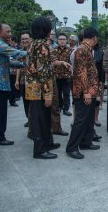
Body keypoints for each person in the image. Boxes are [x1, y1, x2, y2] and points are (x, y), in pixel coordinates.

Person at [0, 24, 27, 145]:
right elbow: (15, 53)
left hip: (0, 84)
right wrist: (33, 52)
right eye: (8, 31)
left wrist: (23, 65)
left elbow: (8, 61)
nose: (10, 34)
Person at [26, 17, 60, 159]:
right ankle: (39, 150)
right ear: (44, 29)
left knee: (43, 116)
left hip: (33, 85)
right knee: (40, 118)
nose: (51, 30)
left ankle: (47, 142)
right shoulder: (42, 45)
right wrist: (47, 92)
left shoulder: (34, 43)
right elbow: (42, 70)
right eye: (49, 27)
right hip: (40, 87)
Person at [66, 27, 100, 159]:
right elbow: (81, 72)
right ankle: (72, 147)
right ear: (94, 38)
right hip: (83, 91)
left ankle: (86, 142)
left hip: (90, 90)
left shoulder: (87, 50)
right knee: (80, 119)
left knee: (89, 118)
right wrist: (86, 92)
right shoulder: (81, 50)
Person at [15, 31, 32, 127]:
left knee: (32, 101)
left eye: (26, 38)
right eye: (23, 39)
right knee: (25, 101)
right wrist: (17, 80)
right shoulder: (21, 51)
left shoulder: (34, 50)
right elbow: (18, 67)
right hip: (22, 80)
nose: (24, 40)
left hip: (32, 81)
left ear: (30, 39)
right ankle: (29, 119)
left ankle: (32, 119)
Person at [53, 33, 72, 116]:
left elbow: (72, 62)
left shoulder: (70, 50)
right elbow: (52, 62)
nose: (62, 41)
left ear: (66, 40)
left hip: (67, 76)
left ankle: (66, 109)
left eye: (64, 39)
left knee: (66, 93)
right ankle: (59, 107)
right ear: (57, 40)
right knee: (58, 93)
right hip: (56, 75)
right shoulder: (53, 50)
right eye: (60, 39)